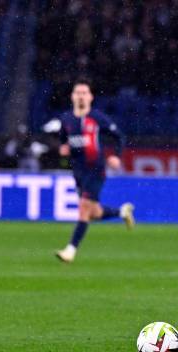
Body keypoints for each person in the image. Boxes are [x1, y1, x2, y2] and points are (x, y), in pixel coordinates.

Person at [55, 79, 135, 263]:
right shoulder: (66, 119)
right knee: (93, 212)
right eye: (78, 93)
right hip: (78, 172)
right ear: (72, 96)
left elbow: (119, 137)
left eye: (85, 93)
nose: (81, 96)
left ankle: (70, 250)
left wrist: (116, 155)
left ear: (90, 97)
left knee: (83, 210)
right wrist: (63, 148)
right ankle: (121, 212)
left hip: (96, 170)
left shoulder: (98, 118)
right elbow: (62, 140)